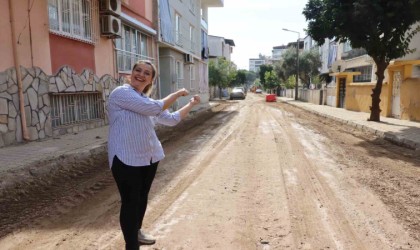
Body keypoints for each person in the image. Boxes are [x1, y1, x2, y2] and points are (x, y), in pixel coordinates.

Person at [107, 60, 201, 249]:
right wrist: (176, 94)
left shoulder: (146, 100)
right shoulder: (121, 93)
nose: (141, 74)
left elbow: (171, 119)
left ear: (151, 80)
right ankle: (131, 245)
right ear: (131, 73)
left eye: (146, 73)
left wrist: (190, 104)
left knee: (142, 198)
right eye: (138, 70)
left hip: (149, 157)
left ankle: (137, 231)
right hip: (125, 158)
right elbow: (155, 108)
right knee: (130, 202)